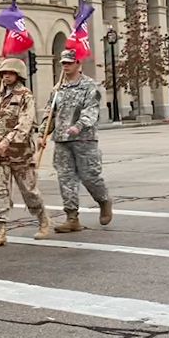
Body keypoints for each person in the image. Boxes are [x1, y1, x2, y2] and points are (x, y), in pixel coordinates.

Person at [0, 57, 51, 247]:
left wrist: (7, 141)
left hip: (20, 154)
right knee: (0, 193)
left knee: (29, 191)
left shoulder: (25, 96)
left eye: (9, 73)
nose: (5, 77)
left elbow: (25, 124)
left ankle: (43, 220)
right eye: (3, 74)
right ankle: (0, 231)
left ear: (18, 75)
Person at [40, 49, 112, 233]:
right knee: (66, 178)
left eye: (69, 63)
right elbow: (50, 113)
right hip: (62, 140)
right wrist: (43, 133)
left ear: (78, 64)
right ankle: (72, 217)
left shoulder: (89, 86)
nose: (65, 66)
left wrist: (78, 126)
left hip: (84, 139)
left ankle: (103, 200)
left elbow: (91, 111)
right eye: (63, 63)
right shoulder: (58, 89)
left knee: (90, 176)